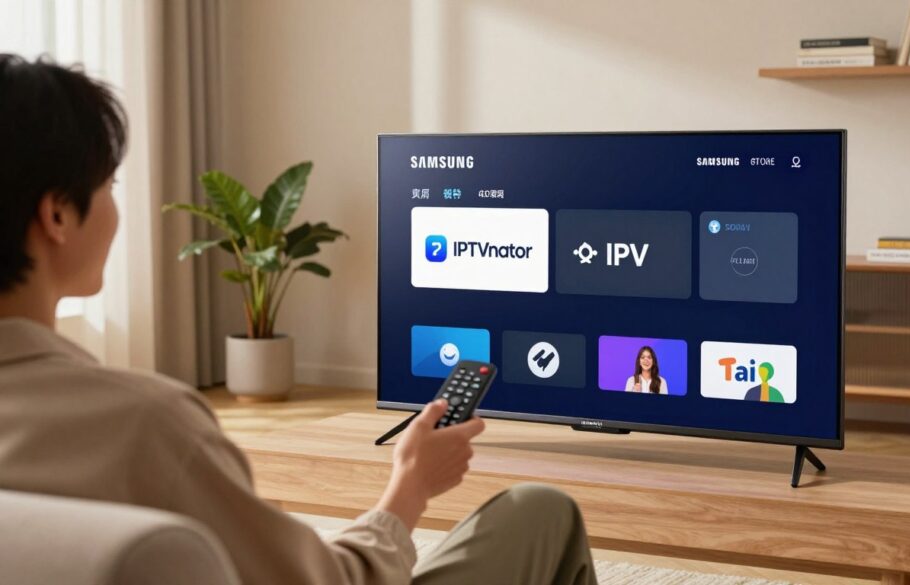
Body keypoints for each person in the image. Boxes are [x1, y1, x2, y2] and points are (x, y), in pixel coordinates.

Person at [0, 54, 598, 585]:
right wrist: (410, 486)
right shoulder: (144, 425)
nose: (114, 207)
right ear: (57, 214)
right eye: (110, 184)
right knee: (540, 511)